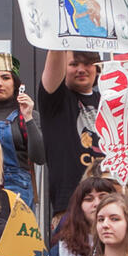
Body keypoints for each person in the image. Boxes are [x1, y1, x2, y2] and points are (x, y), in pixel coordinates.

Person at [38, 49, 103, 216]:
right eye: (73, 64)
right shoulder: (56, 99)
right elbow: (55, 55)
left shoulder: (108, 101)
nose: (81, 69)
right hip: (70, 207)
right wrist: (58, 38)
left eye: (87, 63)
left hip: (110, 203)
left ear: (97, 67)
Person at [0, 52, 43, 205]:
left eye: (5, 78)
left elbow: (40, 157)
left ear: (16, 84)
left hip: (19, 192)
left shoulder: (28, 115)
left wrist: (28, 118)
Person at [48, 175, 122, 256]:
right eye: (89, 199)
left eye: (103, 197)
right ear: (79, 206)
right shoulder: (59, 252)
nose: (96, 203)